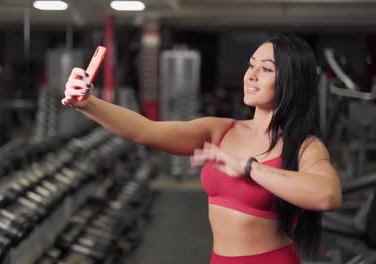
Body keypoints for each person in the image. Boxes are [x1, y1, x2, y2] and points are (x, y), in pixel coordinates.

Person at [61, 34, 342, 264]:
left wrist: (248, 167)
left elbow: (327, 196)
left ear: (291, 81)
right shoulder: (221, 130)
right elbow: (145, 130)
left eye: (266, 69)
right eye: (251, 65)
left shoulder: (305, 146)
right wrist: (86, 103)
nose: (251, 75)